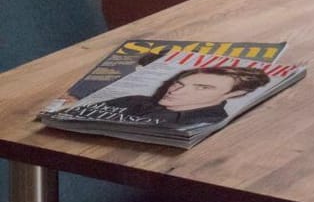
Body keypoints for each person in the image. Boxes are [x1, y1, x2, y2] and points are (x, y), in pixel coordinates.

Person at [60, 65, 271, 131]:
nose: (176, 91)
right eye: (179, 83)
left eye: (202, 87)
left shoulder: (211, 124)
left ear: (236, 94)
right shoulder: (136, 100)